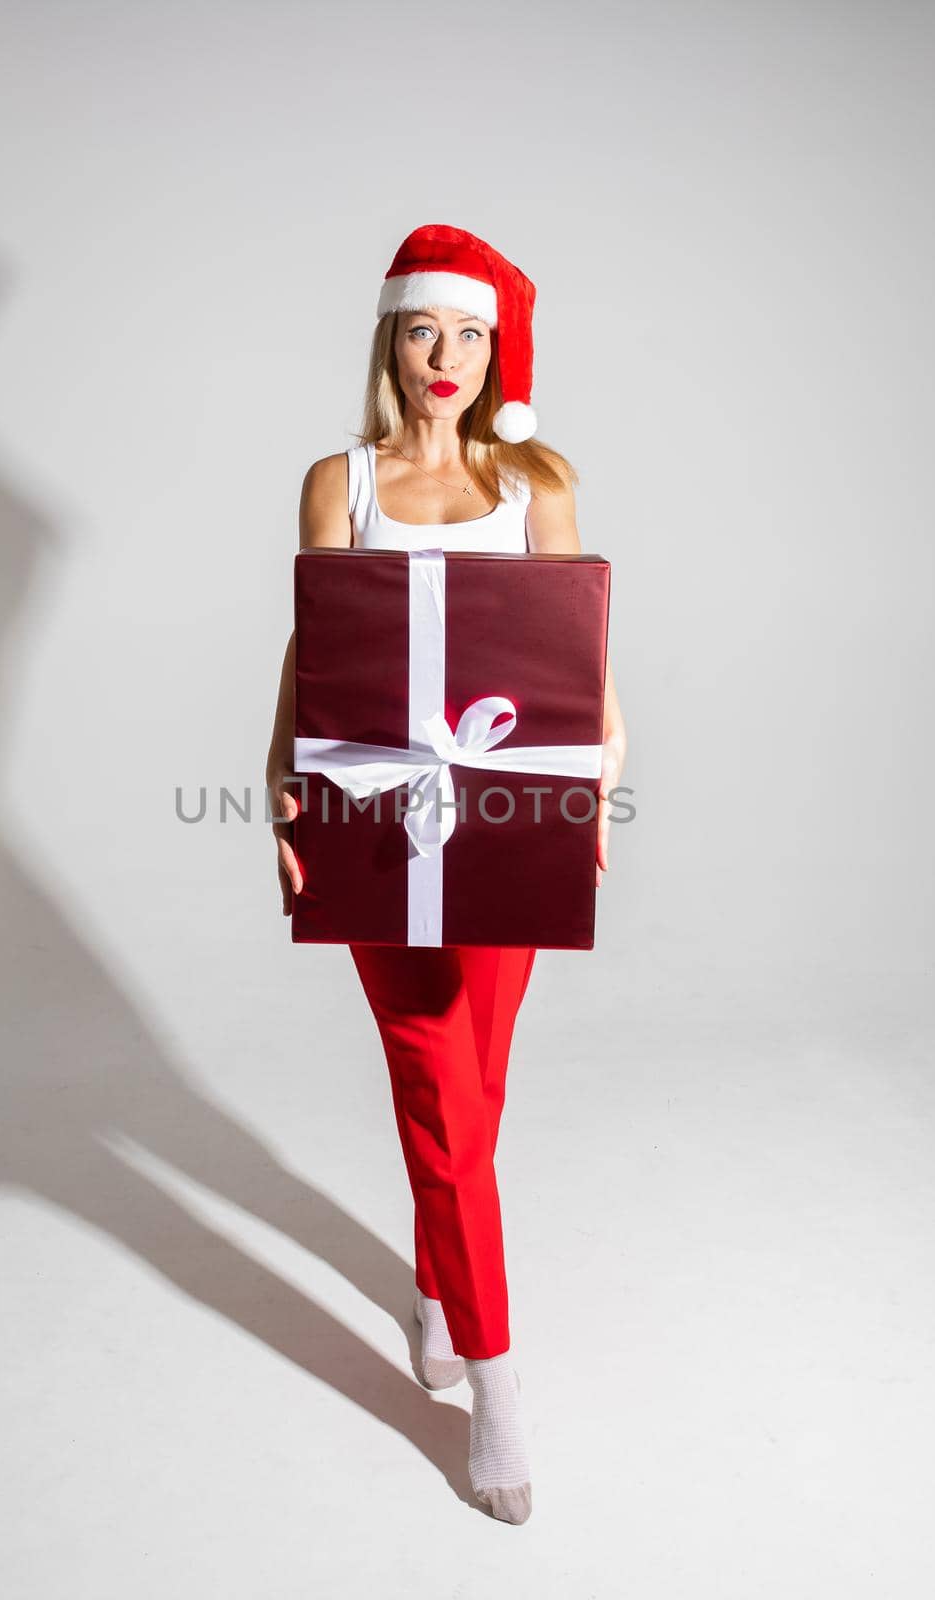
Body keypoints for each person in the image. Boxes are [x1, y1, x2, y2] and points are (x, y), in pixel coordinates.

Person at [265, 224, 627, 1524]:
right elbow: (316, 653)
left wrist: (589, 788)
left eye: (471, 333)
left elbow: (578, 666)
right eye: (426, 329)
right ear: (390, 340)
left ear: (494, 352)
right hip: (373, 827)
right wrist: (278, 788)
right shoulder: (337, 481)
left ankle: (436, 1281)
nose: (447, 357)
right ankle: (496, 1378)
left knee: (477, 1087)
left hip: (506, 829)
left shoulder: (537, 481)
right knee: (438, 1087)